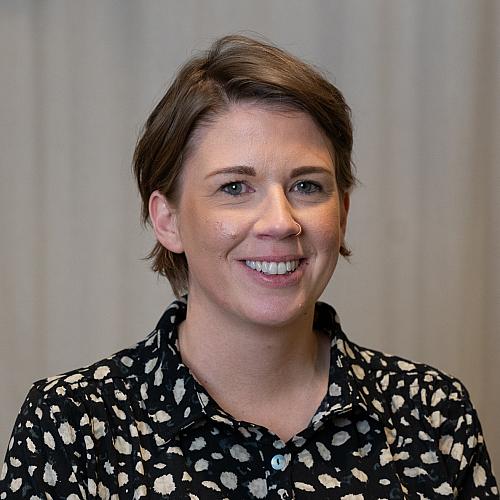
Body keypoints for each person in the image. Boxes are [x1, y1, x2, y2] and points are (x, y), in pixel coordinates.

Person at [0, 35, 497, 500]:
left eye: (306, 186)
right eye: (235, 187)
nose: (281, 222)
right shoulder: (73, 427)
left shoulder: (433, 414)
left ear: (342, 213)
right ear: (167, 220)